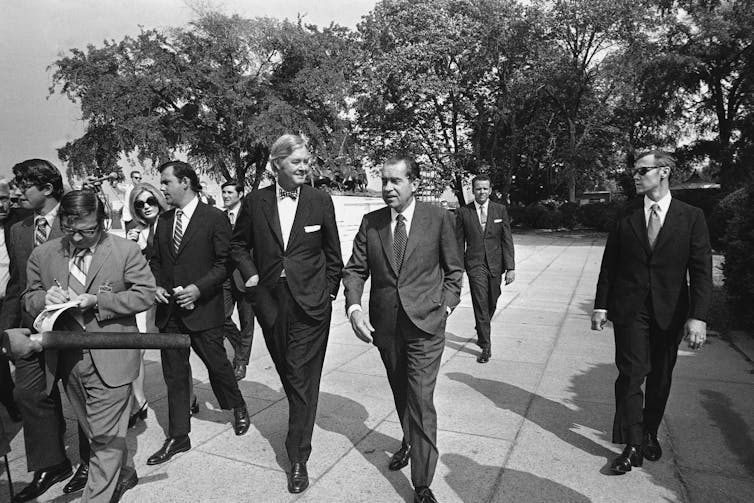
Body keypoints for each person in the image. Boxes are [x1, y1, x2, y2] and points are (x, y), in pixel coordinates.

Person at [342, 154, 463, 503]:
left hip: (426, 325)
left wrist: (446, 306)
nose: (388, 188)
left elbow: (454, 271)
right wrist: (353, 307)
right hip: (387, 327)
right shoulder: (372, 223)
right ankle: (409, 440)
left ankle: (422, 483)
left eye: (395, 181)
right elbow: (355, 270)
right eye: (384, 181)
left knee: (421, 399)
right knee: (401, 391)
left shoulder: (439, 218)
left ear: (414, 183)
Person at [25, 189, 156, 502]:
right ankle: (124, 472)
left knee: (104, 440)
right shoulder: (44, 254)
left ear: (102, 221)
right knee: (95, 432)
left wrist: (100, 301)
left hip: (113, 354)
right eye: (70, 229)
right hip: (68, 361)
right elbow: (28, 297)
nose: (78, 237)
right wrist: (45, 298)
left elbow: (146, 294)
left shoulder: (124, 250)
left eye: (87, 230)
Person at [230, 134, 343, 494]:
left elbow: (333, 254)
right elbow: (237, 244)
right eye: (296, 162)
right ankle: (299, 434)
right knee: (290, 371)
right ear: (276, 164)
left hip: (312, 304)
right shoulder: (254, 202)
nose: (304, 167)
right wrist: (250, 275)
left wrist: (327, 293)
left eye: (306, 162)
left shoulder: (319, 201)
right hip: (270, 301)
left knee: (302, 374)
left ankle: (298, 456)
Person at [591, 150, 712, 474]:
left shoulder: (691, 217)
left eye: (642, 170)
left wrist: (698, 317)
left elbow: (701, 272)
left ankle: (649, 433)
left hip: (670, 311)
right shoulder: (625, 214)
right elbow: (609, 265)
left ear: (664, 172)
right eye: (635, 170)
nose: (635, 175)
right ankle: (632, 444)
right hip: (630, 308)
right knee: (631, 373)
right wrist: (601, 305)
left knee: (660, 376)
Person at [148, 161, 250, 466]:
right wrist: (155, 285)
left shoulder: (215, 219)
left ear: (186, 183)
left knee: (217, 364)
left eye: (167, 182)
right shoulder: (164, 221)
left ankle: (237, 405)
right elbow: (154, 260)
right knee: (175, 375)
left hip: (203, 309)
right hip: (170, 314)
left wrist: (198, 289)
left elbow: (225, 263)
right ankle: (179, 436)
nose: (162, 188)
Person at [1, 159, 91, 502]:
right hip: (29, 328)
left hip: (72, 327)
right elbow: (16, 285)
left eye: (25, 184)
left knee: (80, 394)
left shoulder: (76, 222)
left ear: (48, 188)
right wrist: (7, 329)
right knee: (29, 394)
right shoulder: (18, 230)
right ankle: (51, 463)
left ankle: (90, 460)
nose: (18, 191)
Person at [455, 175, 515, 363]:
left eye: (485, 189)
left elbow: (507, 240)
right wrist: (457, 268)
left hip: (496, 265)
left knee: (492, 300)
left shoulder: (500, 210)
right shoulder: (464, 212)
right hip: (475, 265)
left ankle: (481, 326)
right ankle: (486, 345)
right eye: (478, 189)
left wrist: (511, 267)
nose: (481, 192)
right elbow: (458, 242)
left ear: (490, 190)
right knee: (480, 303)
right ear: (473, 190)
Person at [125, 183, 169, 427]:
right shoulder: (134, 230)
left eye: (150, 201)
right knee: (137, 350)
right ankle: (139, 400)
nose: (146, 207)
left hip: (166, 294)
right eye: (139, 204)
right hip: (143, 296)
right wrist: (130, 246)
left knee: (174, 351)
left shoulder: (171, 221)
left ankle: (190, 397)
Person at [0, 178, 30, 422]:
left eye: (5, 199)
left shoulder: (21, 220)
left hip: (15, 301)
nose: (2, 205)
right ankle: (10, 403)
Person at [221, 181, 255, 380]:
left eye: (229, 192)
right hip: (225, 277)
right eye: (223, 192)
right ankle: (239, 346)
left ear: (240, 194)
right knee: (222, 317)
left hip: (245, 277)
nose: (225, 196)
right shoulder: (219, 216)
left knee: (247, 323)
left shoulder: (249, 215)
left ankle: (241, 363)